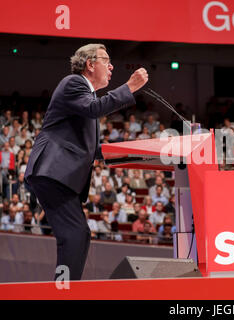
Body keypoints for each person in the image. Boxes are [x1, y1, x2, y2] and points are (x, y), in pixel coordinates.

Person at [24, 44, 148, 281]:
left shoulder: (85, 95)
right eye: (106, 60)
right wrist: (130, 87)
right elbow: (94, 109)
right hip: (53, 172)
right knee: (74, 234)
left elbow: (90, 150)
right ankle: (65, 290)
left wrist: (124, 150)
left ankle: (66, 288)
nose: (111, 66)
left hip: (58, 174)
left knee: (78, 235)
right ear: (90, 64)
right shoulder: (74, 83)